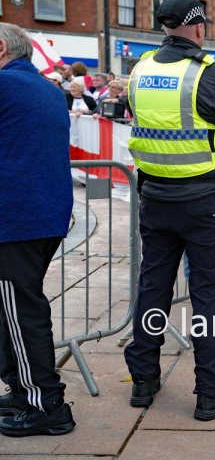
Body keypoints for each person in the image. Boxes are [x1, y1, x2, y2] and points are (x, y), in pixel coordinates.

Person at [124, 0, 215, 420]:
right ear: (198, 28)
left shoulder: (139, 70)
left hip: (155, 198)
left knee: (152, 288)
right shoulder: (210, 76)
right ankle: (210, 392)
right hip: (203, 201)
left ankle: (143, 379)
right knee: (209, 298)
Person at [0, 23, 76, 437]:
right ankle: (21, 387)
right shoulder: (47, 89)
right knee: (11, 310)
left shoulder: (5, 86)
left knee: (20, 312)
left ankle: (46, 404)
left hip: (15, 220)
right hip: (42, 216)